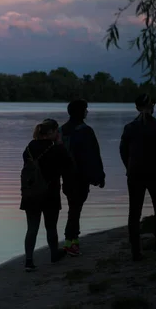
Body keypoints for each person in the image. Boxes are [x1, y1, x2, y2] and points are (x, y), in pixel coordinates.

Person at [120, 93, 156, 261]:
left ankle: (135, 251)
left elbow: (123, 151)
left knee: (134, 212)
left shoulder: (130, 127)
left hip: (135, 174)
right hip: (155, 174)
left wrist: (129, 167)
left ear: (137, 108)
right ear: (152, 107)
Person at [20, 118, 74, 272]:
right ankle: (54, 254)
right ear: (51, 132)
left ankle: (29, 261)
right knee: (51, 226)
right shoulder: (57, 149)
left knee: (32, 228)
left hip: (30, 192)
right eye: (57, 131)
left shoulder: (29, 147)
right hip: (50, 192)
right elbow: (69, 167)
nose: (58, 134)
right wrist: (60, 146)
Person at [58, 99, 106, 257]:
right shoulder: (86, 130)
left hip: (66, 177)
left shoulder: (61, 130)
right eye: (86, 109)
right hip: (81, 177)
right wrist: (100, 175)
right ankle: (70, 242)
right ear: (80, 111)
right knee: (75, 209)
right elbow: (94, 155)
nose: (87, 111)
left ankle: (72, 241)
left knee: (74, 207)